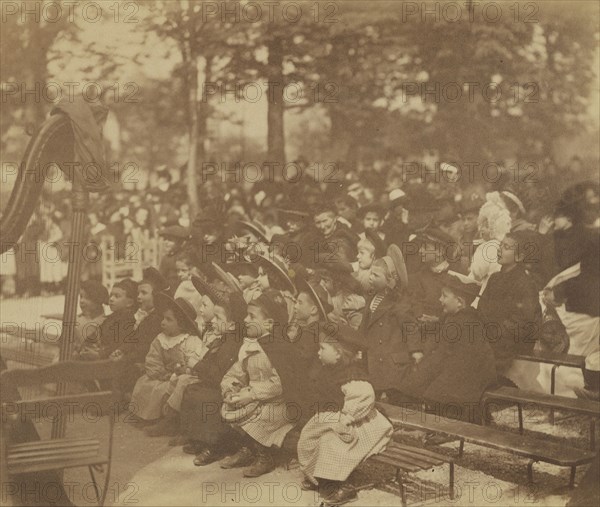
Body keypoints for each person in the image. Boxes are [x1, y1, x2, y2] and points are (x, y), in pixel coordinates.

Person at [297, 324, 393, 505]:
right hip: (333, 417)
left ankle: (340, 486)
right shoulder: (328, 371)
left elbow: (364, 397)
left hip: (358, 423)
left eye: (322, 348)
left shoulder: (352, 376)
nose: (318, 352)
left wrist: (347, 417)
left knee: (332, 444)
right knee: (309, 437)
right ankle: (317, 477)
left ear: (339, 354)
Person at [219, 290, 300, 478]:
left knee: (262, 416)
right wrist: (232, 387)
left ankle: (266, 455)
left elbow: (281, 383)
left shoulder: (280, 348)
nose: (246, 320)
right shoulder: (250, 346)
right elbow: (236, 372)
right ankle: (249, 448)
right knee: (232, 408)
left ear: (269, 324)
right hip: (256, 397)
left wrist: (252, 393)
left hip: (282, 402)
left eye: (251, 316)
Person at [399, 271, 497, 423]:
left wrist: (416, 377)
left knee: (426, 389)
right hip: (475, 373)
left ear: (459, 302)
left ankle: (446, 423)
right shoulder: (467, 317)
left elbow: (440, 356)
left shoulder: (457, 323)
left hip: (470, 376)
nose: (440, 299)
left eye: (444, 296)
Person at [178, 276, 246, 464]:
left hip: (230, 387)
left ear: (232, 324)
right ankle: (199, 437)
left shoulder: (232, 343)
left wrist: (197, 365)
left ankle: (216, 445)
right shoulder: (223, 338)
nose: (214, 321)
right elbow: (212, 363)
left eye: (218, 318)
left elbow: (218, 374)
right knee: (192, 390)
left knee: (208, 399)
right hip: (218, 381)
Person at [131, 294, 205, 431]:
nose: (163, 322)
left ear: (181, 325)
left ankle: (167, 421)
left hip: (180, 376)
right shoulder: (160, 339)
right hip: (162, 375)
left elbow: (193, 362)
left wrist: (181, 371)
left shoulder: (190, 340)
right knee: (145, 384)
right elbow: (153, 359)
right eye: (163, 318)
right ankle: (147, 417)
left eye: (169, 320)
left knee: (165, 390)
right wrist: (160, 372)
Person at [477, 231, 542, 385]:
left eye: (506, 247)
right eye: (500, 245)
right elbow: (482, 309)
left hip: (512, 342)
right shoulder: (494, 279)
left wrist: (492, 333)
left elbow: (523, 322)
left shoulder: (525, 284)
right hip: (492, 336)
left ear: (519, 257)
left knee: (474, 357)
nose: (499, 249)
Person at [360, 244, 419, 400]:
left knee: (392, 397)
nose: (371, 278)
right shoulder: (373, 298)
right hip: (374, 358)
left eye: (376, 276)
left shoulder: (398, 303)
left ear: (390, 281)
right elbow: (364, 327)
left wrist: (415, 350)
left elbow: (410, 326)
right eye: (371, 274)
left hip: (391, 362)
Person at [110, 268, 170, 393]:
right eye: (138, 293)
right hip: (136, 358)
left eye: (144, 293)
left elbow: (145, 348)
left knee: (125, 372)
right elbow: (134, 338)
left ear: (156, 296)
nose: (139, 297)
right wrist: (121, 350)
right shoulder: (144, 316)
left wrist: (125, 357)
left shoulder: (157, 320)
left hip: (149, 362)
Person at [79, 279, 137, 360]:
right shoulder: (111, 318)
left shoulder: (128, 321)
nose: (111, 299)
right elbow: (96, 333)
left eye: (117, 296)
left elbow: (118, 346)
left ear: (129, 303)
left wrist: (99, 354)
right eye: (111, 295)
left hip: (110, 362)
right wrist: (87, 344)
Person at [72, 280, 108, 357]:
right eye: (81, 297)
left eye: (87, 298)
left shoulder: (103, 322)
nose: (81, 301)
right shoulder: (79, 318)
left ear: (99, 301)